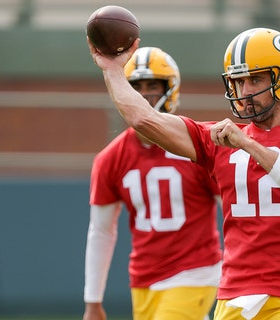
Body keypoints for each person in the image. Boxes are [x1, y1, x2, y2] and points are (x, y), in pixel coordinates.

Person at [89, 27, 280, 320]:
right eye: (239, 81)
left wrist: (248, 144)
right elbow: (144, 119)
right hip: (233, 297)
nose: (246, 92)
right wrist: (113, 70)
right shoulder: (218, 138)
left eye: (255, 79)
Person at [83, 47, 222, 320]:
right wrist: (92, 299)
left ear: (171, 90)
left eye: (152, 86)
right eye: (136, 87)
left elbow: (233, 209)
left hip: (195, 271)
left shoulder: (197, 145)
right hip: (144, 278)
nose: (144, 95)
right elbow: (101, 230)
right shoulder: (111, 158)